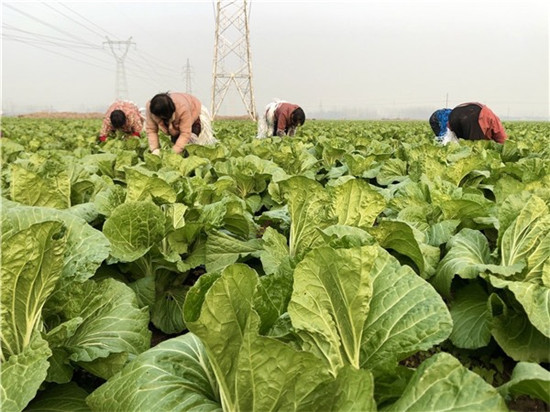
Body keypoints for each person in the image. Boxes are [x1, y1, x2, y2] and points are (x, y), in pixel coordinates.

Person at [145, 92, 216, 155]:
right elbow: (151, 130)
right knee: (175, 142)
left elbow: (185, 134)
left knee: (192, 145)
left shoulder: (182, 108)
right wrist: (155, 149)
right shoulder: (151, 108)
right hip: (174, 115)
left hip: (193, 111)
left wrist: (173, 153)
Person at [429, 102, 507, 145]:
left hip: (456, 112)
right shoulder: (493, 122)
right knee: (473, 147)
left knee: (452, 143)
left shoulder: (490, 117)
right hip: (475, 116)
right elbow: (502, 140)